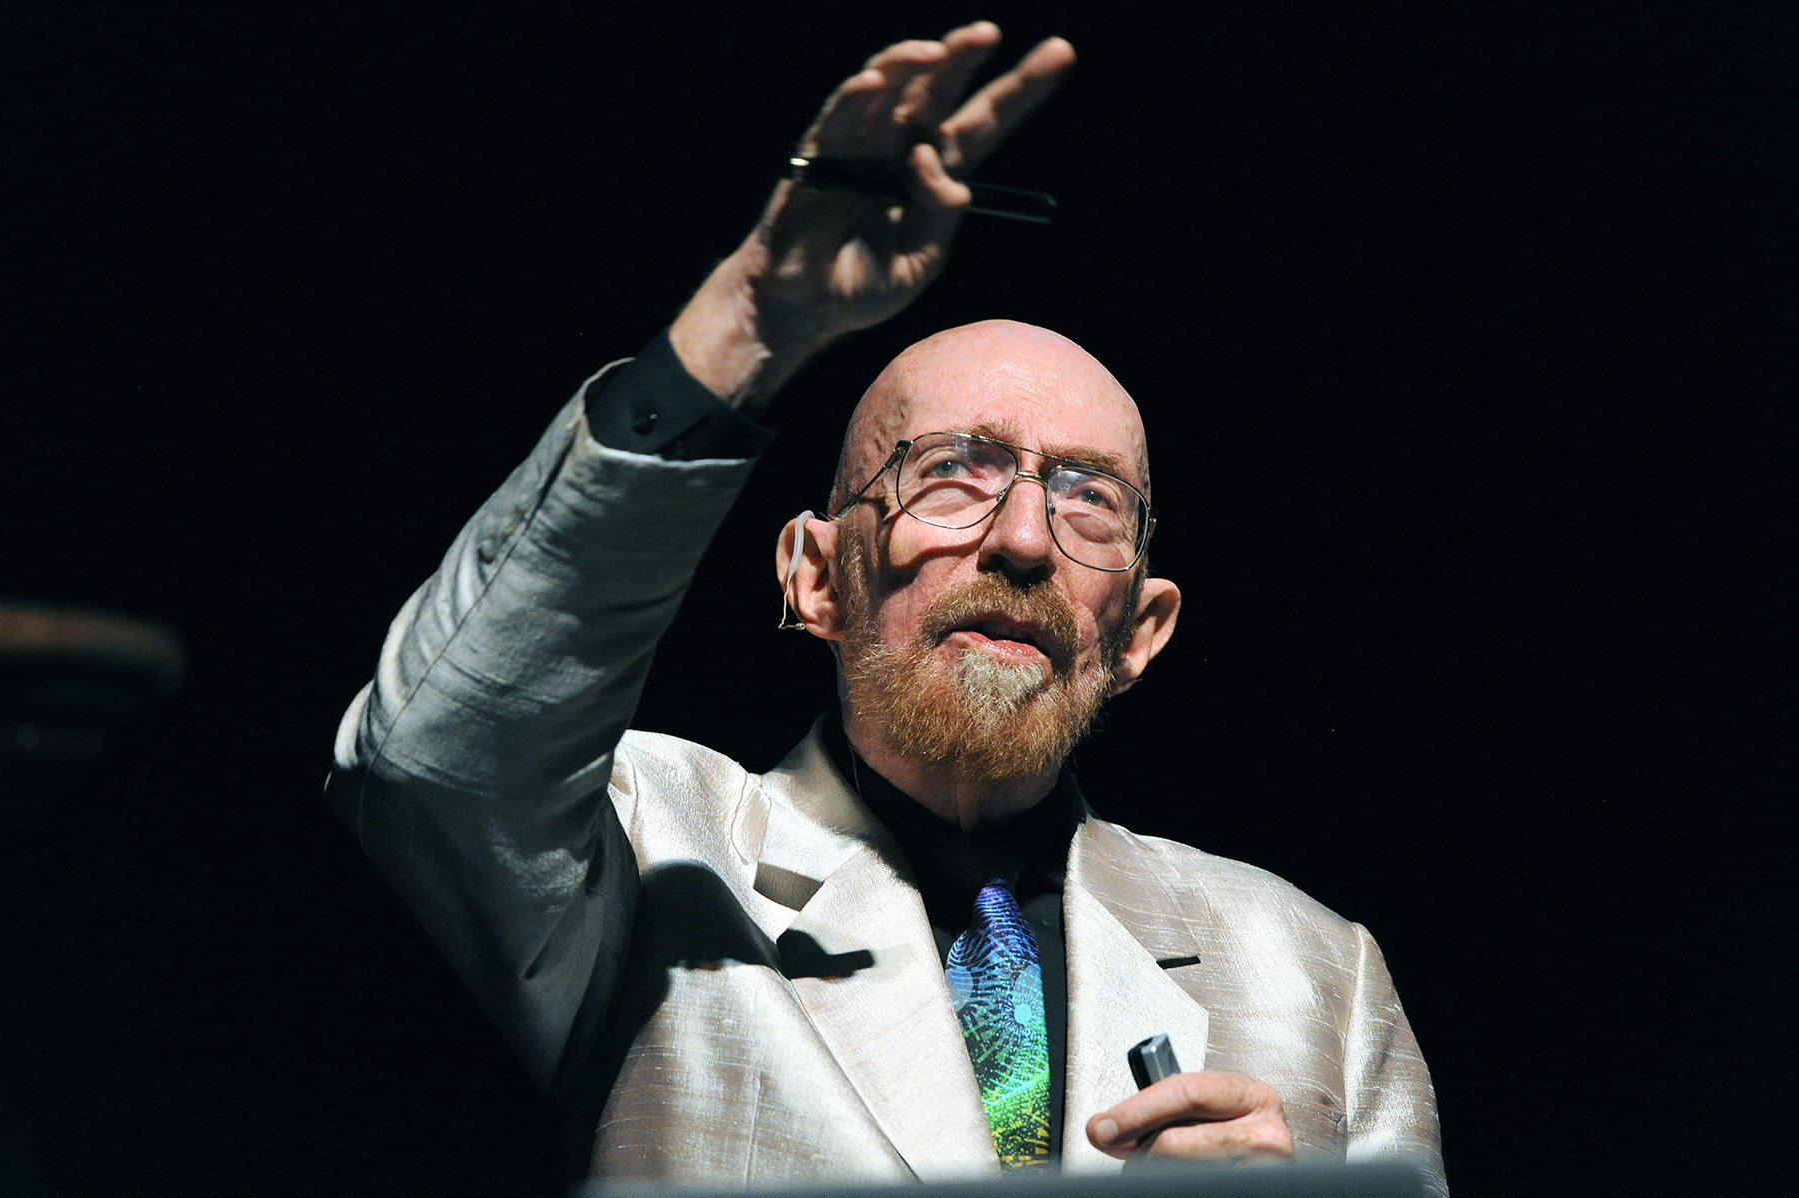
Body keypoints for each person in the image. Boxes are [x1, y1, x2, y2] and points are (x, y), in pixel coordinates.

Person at [328, 21, 1446, 1194]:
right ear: (814, 577)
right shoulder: (656, 855)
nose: (1021, 540)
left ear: (1142, 633)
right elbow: (434, 758)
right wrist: (753, 316)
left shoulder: (1320, 974)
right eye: (952, 473)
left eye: (1089, 500)